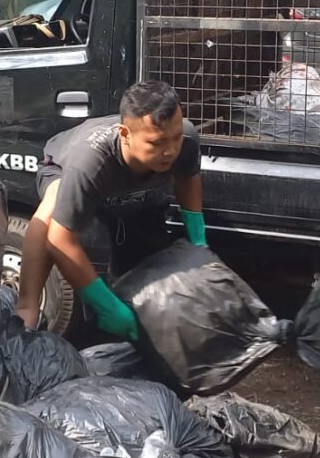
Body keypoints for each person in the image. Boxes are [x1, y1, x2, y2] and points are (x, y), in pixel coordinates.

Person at [16, 80, 206, 337]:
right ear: (125, 135)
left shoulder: (184, 137)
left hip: (134, 193)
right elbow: (59, 240)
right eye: (157, 143)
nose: (170, 150)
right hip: (65, 167)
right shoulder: (88, 163)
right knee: (51, 213)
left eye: (174, 139)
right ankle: (27, 308)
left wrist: (198, 238)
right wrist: (104, 305)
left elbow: (187, 177)